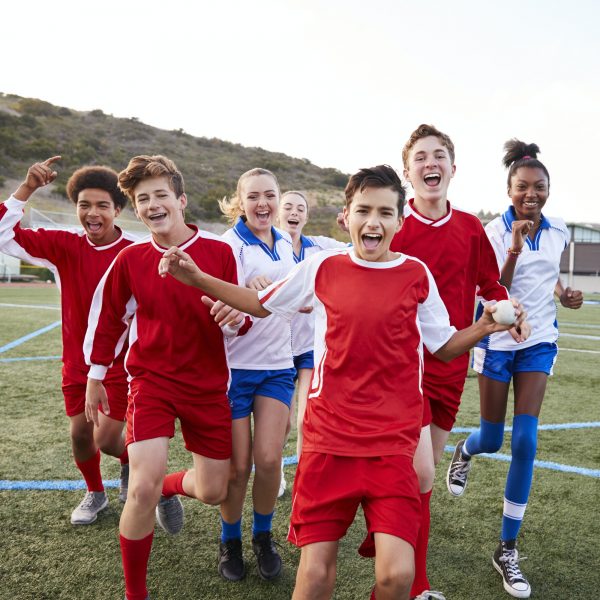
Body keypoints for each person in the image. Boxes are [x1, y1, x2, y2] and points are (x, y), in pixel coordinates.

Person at [158, 164, 528, 600]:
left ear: (399, 221)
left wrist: (484, 327)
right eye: (363, 211)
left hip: (393, 442)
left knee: (397, 576)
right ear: (347, 216)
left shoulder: (416, 274)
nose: (374, 222)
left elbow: (443, 345)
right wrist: (198, 278)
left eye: (385, 213)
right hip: (329, 440)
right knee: (316, 575)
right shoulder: (322, 267)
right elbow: (259, 304)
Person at [358, 125, 515, 600]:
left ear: (452, 167)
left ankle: (398, 555)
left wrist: (508, 310)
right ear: (408, 172)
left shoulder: (470, 228)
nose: (431, 163)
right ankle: (414, 582)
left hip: (450, 366)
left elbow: (491, 286)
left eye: (440, 155)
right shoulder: (392, 225)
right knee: (420, 473)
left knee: (420, 479)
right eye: (421, 157)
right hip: (398, 369)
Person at [84, 154, 249, 600]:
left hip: (208, 385)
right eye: (143, 199)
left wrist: (233, 316)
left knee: (215, 490)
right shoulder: (131, 259)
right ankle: (135, 593)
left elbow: (245, 314)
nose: (153, 205)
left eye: (161, 195)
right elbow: (109, 321)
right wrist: (96, 374)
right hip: (151, 381)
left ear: (181, 200)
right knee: (141, 485)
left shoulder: (219, 252)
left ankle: (170, 488)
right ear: (136, 209)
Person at [446, 140, 583, 599]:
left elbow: (551, 277)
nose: (531, 193)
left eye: (539, 187)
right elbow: (494, 287)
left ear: (548, 190)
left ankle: (507, 548)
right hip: (497, 341)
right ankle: (466, 449)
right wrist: (515, 249)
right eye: (522, 187)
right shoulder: (490, 231)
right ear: (509, 189)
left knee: (525, 440)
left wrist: (563, 294)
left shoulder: (560, 229)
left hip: (539, 342)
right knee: (491, 436)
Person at [0, 157, 134, 525]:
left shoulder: (136, 251)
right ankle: (95, 493)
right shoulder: (64, 245)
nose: (93, 213)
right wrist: (26, 188)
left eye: (102, 205)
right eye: (84, 205)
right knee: (79, 436)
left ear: (118, 209)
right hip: (77, 364)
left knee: (107, 439)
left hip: (121, 366)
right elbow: (2, 233)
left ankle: (129, 462)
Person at [214, 169, 296, 581]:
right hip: (234, 371)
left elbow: (296, 300)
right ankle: (230, 541)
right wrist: (246, 291)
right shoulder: (228, 246)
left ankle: (262, 536)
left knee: (269, 460)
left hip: (278, 367)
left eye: (270, 195)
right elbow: (219, 309)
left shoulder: (286, 244)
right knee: (237, 467)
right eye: (254, 197)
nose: (263, 204)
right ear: (240, 201)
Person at [277, 190, 347, 489]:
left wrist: (349, 227)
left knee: (308, 418)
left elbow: (358, 248)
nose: (294, 212)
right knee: (284, 422)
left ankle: (304, 480)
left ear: (306, 216)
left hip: (308, 348)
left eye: (300, 208)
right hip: (276, 348)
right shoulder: (269, 246)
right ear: (280, 213)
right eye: (288, 207)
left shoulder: (320, 246)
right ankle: (275, 468)